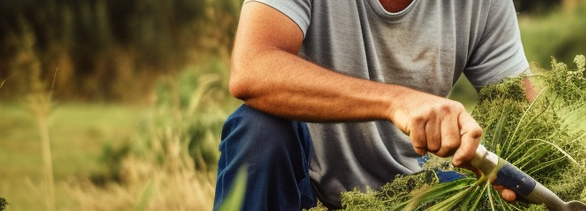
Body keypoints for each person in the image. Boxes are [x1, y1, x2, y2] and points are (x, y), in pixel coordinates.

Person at [213, 0, 535, 210]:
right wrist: (396, 101)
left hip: (412, 185)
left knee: (486, 199)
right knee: (259, 129)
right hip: (302, 179)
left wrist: (490, 166)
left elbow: (526, 119)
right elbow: (252, 69)